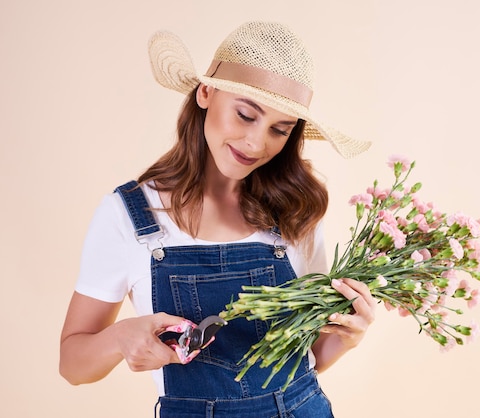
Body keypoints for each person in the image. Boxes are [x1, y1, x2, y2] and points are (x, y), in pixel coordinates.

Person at [59, 21, 375, 417]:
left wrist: (348, 336)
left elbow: (301, 362)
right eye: (245, 115)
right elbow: (71, 364)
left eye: (280, 129)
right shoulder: (128, 217)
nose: (257, 143)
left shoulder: (296, 210)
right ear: (206, 92)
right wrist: (119, 338)